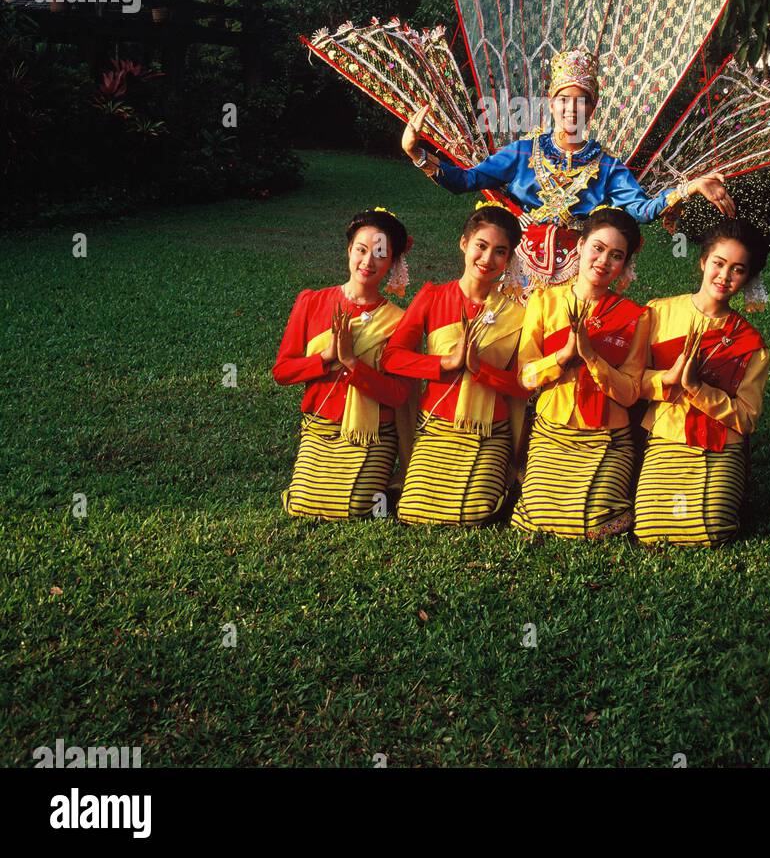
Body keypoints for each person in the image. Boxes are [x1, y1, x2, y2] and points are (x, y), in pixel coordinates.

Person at [400, 47, 735, 291]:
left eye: (581, 101)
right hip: (519, 269)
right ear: (551, 103)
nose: (571, 109)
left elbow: (642, 209)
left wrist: (689, 187)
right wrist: (416, 153)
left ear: (592, 108)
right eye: (564, 100)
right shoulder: (521, 153)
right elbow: (466, 180)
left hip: (578, 274)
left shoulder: (606, 167)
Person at [382, 203, 527, 526]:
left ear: (509, 259)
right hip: (437, 424)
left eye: (500, 252)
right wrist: (445, 362)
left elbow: (523, 384)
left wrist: (481, 370)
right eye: (481, 246)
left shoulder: (518, 315)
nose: (488, 259)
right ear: (464, 244)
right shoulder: (433, 296)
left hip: (489, 429)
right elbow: (393, 358)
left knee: (475, 515)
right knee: (414, 512)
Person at [513, 207, 649, 538]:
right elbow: (525, 377)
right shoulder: (544, 301)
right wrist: (561, 358)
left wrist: (592, 358)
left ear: (624, 265)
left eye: (616, 256)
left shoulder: (636, 316)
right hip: (552, 430)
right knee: (537, 519)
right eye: (598, 248)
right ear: (580, 246)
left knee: (595, 525)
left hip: (607, 436)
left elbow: (631, 392)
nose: (603, 261)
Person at [633, 218, 770, 547]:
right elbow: (632, 382)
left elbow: (747, 418)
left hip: (720, 446)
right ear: (702, 262)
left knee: (712, 529)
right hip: (666, 437)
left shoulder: (750, 343)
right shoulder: (658, 314)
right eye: (718, 264)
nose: (724, 277)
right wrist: (666, 379)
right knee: (650, 531)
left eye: (737, 270)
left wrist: (698, 389)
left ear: (747, 277)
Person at [274, 208, 413, 520]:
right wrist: (326, 358)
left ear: (392, 262)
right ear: (349, 250)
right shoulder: (312, 302)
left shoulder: (400, 322)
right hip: (320, 426)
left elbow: (398, 394)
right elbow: (283, 371)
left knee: (356, 509)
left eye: (379, 254)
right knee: (302, 506)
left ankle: (391, 487)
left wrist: (352, 363)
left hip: (373, 432)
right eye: (361, 250)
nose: (367, 262)